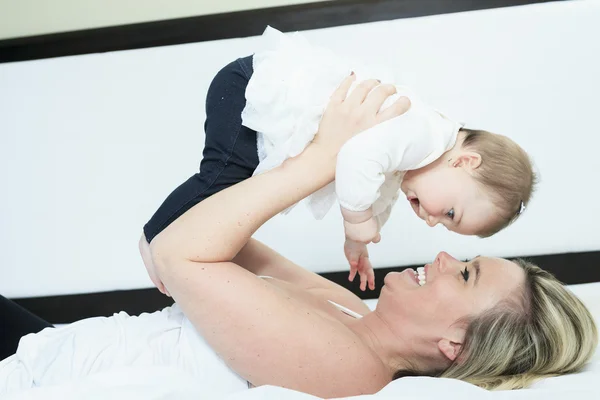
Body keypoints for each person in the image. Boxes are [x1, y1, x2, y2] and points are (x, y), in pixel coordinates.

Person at [0, 71, 596, 398]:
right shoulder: (350, 313)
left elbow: (184, 255)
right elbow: (211, 240)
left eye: (466, 273)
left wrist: (325, 156)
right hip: (53, 345)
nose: (443, 253)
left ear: (454, 346)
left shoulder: (349, 369)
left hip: (30, 373)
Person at [241, 27, 536, 291]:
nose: (432, 222)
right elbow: (358, 157)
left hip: (260, 110)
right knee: (216, 189)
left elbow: (380, 195)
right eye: (449, 214)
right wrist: (357, 220)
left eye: (445, 224)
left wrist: (357, 239)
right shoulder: (426, 134)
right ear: (464, 162)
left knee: (230, 194)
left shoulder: (415, 160)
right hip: (258, 94)